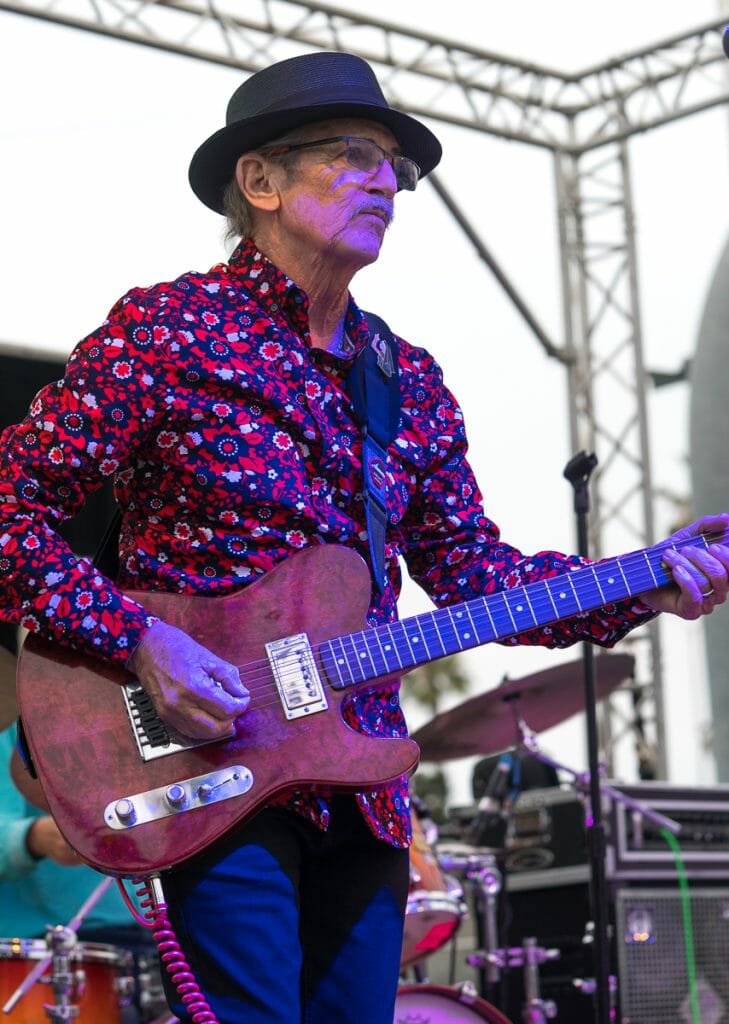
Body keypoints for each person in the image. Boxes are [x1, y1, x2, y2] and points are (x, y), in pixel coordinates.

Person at [0, 50, 727, 1024]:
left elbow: (476, 573)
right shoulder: (168, 332)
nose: (384, 178)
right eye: (351, 154)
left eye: (393, 163)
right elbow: (12, 509)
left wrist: (645, 580)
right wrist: (140, 639)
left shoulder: (409, 380)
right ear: (259, 180)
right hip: (207, 766)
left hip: (364, 777)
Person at [0, 628, 163, 1022]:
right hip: (45, 947)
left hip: (161, 936)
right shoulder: (9, 724)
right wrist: (33, 838)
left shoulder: (141, 712)